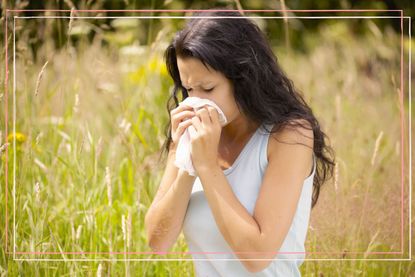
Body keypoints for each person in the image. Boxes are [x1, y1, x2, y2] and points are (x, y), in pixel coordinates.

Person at [145, 9, 335, 276]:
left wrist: (208, 166)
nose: (195, 102)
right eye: (189, 89)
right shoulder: (192, 133)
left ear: (244, 79)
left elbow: (257, 256)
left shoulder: (289, 136)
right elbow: (158, 242)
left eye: (208, 89)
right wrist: (188, 164)